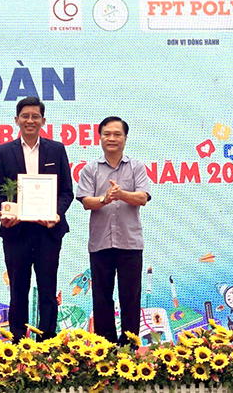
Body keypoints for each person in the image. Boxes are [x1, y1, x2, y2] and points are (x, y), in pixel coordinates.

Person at [0, 97, 74, 342]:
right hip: (16, 231)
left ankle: (47, 341)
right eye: (25, 116)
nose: (30, 120)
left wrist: (56, 213)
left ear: (43, 121)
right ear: (16, 120)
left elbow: (67, 191)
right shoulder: (5, 151)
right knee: (18, 289)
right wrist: (3, 213)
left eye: (35, 116)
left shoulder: (56, 149)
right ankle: (18, 341)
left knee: (48, 288)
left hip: (48, 231)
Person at [75, 116, 151, 345]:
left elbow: (142, 197)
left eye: (117, 134)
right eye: (107, 134)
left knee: (130, 297)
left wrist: (121, 194)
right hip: (101, 242)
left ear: (125, 138)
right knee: (101, 297)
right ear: (99, 138)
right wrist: (105, 199)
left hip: (130, 242)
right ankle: (105, 346)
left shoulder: (137, 167)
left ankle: (129, 346)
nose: (112, 138)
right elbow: (86, 201)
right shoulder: (90, 169)